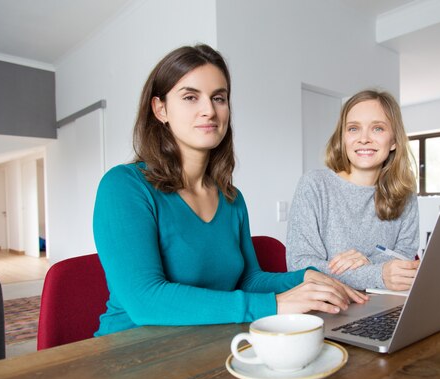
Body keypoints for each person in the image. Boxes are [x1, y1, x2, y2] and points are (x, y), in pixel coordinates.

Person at [92, 44, 366, 337]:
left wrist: (306, 278)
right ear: (160, 109)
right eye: (190, 97)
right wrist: (274, 304)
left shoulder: (231, 198)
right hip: (131, 353)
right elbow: (145, 301)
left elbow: (248, 279)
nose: (209, 110)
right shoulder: (124, 186)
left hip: (208, 342)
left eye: (218, 98)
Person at [286, 90, 420, 291]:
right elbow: (301, 266)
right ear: (343, 138)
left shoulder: (405, 194)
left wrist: (363, 262)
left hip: (386, 304)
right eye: (353, 128)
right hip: (329, 305)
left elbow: (402, 263)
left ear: (394, 141)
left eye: (377, 128)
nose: (364, 139)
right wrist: (378, 273)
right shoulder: (314, 185)